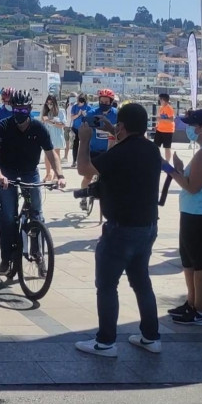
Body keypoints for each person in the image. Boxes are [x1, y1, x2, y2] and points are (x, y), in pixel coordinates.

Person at [74, 103, 162, 357]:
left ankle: (105, 342)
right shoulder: (152, 150)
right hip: (147, 227)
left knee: (107, 285)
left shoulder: (119, 153)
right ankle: (150, 337)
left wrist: (84, 140)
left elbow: (84, 170)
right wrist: (116, 131)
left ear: (122, 126)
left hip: (120, 230)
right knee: (141, 282)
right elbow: (128, 151)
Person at [0, 90, 66, 275]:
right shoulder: (3, 126)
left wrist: (60, 175)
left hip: (30, 172)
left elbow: (51, 153)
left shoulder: (39, 128)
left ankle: (38, 253)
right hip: (7, 173)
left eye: (23, 110)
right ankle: (6, 258)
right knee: (7, 217)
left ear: (30, 109)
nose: (20, 113)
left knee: (37, 213)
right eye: (16, 109)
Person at [165, 109, 202, 326]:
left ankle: (201, 311)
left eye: (193, 125)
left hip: (199, 213)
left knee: (199, 263)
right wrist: (178, 169)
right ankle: (192, 303)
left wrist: (170, 170)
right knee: (188, 260)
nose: (190, 129)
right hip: (194, 212)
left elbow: (192, 187)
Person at [79, 89, 118, 209]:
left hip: (109, 151)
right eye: (102, 101)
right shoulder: (93, 112)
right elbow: (84, 122)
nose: (104, 104)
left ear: (111, 102)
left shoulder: (116, 114)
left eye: (107, 102)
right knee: (88, 176)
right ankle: (83, 197)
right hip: (94, 149)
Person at [40, 94, 67, 183]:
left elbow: (63, 124)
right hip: (47, 135)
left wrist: (50, 121)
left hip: (57, 135)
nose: (49, 105)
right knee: (47, 155)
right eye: (48, 103)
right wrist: (45, 121)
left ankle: (57, 175)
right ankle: (48, 174)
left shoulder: (61, 111)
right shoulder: (45, 112)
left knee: (56, 155)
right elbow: (42, 123)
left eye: (51, 103)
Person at [69, 94, 91, 167]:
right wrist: (78, 114)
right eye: (79, 101)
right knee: (75, 145)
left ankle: (84, 161)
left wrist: (85, 115)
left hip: (84, 129)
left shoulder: (88, 107)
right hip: (75, 128)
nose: (80, 103)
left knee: (84, 145)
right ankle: (74, 160)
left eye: (82, 101)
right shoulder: (74, 107)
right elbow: (72, 118)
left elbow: (90, 118)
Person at [153, 93, 175, 162]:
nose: (159, 101)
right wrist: (157, 125)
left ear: (163, 100)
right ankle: (156, 160)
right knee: (155, 146)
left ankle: (167, 162)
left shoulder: (169, 108)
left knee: (167, 147)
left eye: (160, 99)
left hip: (168, 131)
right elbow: (159, 118)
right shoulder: (160, 108)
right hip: (160, 130)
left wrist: (162, 120)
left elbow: (171, 119)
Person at [63, 93, 77, 163]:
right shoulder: (68, 105)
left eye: (74, 96)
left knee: (74, 144)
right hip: (67, 125)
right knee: (67, 142)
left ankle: (74, 159)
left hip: (73, 126)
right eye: (71, 96)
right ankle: (65, 157)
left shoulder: (76, 106)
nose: (72, 98)